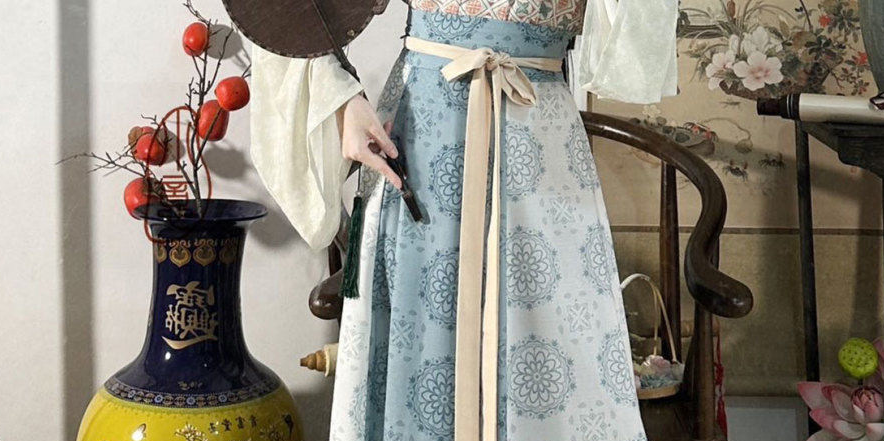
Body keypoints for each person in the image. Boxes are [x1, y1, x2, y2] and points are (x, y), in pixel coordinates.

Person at [251, 1, 678, 440]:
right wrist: (340, 100)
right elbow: (277, 12)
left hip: (540, 142)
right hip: (424, 139)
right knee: (422, 343)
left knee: (553, 345)